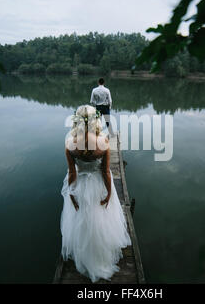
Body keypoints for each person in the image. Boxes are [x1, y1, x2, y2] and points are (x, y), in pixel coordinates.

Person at [60, 105, 131, 282]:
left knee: (83, 218)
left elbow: (72, 173)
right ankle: (101, 253)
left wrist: (71, 192)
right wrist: (108, 193)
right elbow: (106, 172)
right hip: (98, 185)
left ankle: (86, 254)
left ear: (77, 121)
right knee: (101, 218)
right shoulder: (103, 142)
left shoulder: (70, 143)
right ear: (95, 121)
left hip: (82, 186)